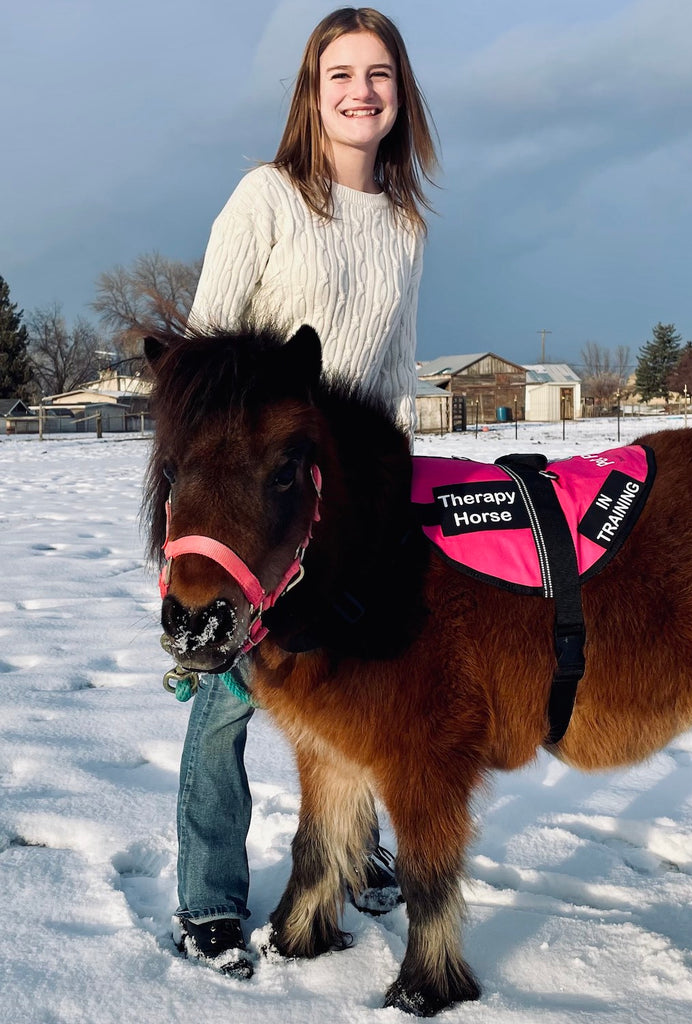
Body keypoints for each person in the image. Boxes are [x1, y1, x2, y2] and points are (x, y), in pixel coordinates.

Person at [173, 7, 438, 978]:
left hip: (354, 500)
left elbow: (397, 369)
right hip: (261, 496)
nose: (359, 91)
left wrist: (401, 485)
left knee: (357, 676)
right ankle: (206, 898)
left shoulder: (406, 224)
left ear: (398, 94)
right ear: (311, 92)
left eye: (378, 74)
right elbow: (204, 356)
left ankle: (351, 856)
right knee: (233, 699)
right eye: (340, 74)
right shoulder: (268, 197)